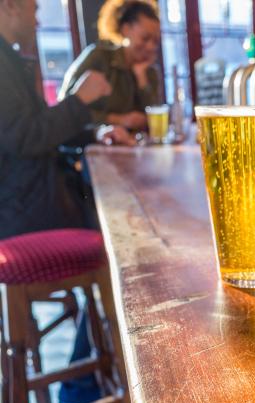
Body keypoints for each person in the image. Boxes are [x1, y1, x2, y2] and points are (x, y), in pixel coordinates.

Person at [0, 0, 135, 240]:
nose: (38, 21)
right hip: (25, 220)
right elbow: (25, 137)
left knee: (119, 220)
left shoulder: (9, 61)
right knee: (122, 229)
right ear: (11, 6)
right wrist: (79, 100)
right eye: (35, 10)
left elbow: (40, 127)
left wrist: (96, 133)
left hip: (33, 205)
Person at [59, 0, 161, 131]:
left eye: (155, 41)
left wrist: (141, 78)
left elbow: (156, 119)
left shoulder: (149, 71)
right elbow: (68, 110)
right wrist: (119, 120)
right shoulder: (99, 58)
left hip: (132, 147)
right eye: (145, 38)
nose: (151, 47)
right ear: (125, 29)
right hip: (95, 145)